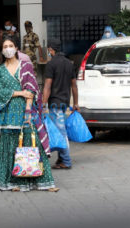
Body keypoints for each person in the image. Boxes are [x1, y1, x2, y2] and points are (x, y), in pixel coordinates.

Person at [0, 37, 59, 192]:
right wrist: (19, 92)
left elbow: (31, 90)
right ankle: (14, 182)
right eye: (5, 46)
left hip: (25, 111)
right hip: (8, 113)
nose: (8, 48)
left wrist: (28, 112)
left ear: (17, 48)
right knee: (11, 145)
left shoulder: (25, 66)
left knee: (32, 143)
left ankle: (44, 181)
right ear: (2, 50)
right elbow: (0, 91)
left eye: (11, 45)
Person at [42, 39, 79, 170]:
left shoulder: (51, 64)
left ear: (51, 49)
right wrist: (75, 103)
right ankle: (61, 159)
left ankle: (66, 161)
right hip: (64, 102)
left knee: (61, 132)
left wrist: (43, 103)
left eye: (49, 50)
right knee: (59, 130)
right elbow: (74, 85)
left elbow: (47, 86)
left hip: (55, 103)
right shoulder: (69, 63)